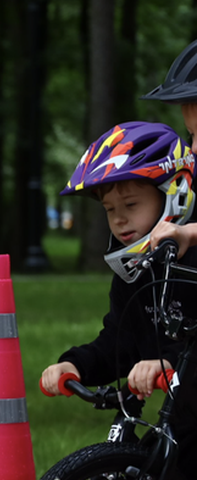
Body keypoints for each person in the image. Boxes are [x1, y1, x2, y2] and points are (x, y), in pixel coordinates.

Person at [40, 121, 197, 406]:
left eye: (131, 205)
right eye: (110, 209)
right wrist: (76, 365)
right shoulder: (135, 269)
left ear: (172, 196)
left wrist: (166, 361)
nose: (119, 219)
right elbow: (121, 341)